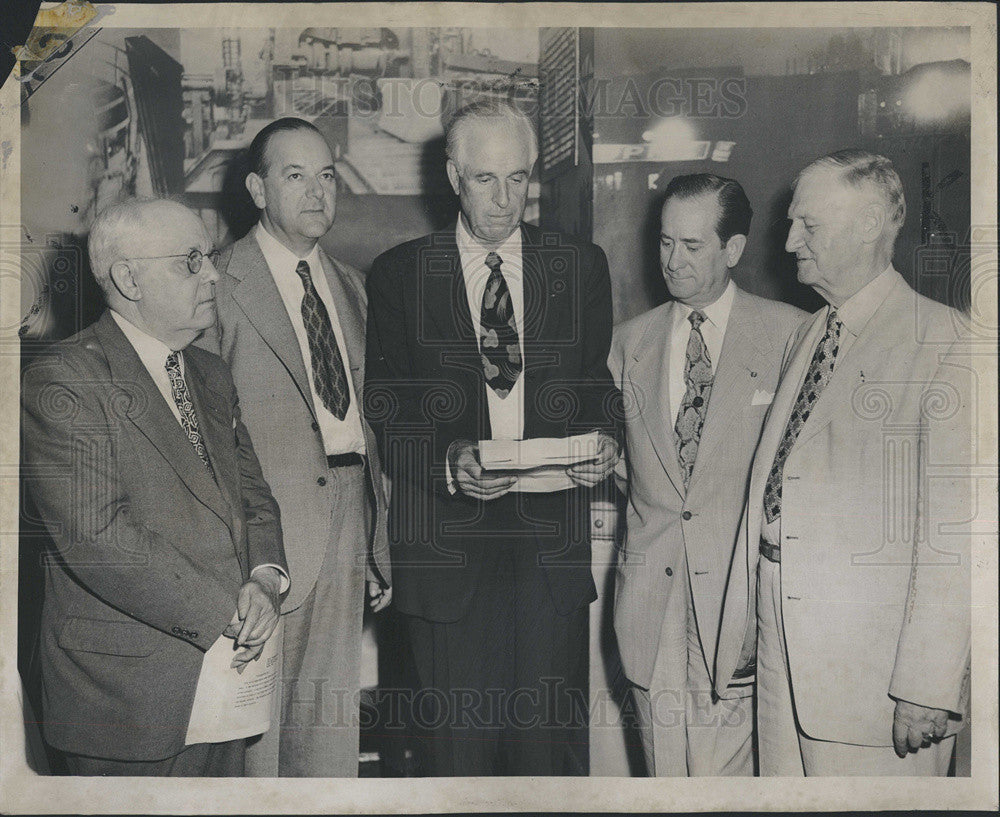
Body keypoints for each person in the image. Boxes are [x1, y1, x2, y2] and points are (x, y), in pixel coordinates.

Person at [365, 100, 619, 776]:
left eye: (519, 178)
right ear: (453, 175)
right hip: (446, 560)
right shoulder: (398, 275)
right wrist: (447, 463)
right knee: (456, 765)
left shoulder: (579, 266)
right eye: (485, 179)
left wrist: (607, 438)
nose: (506, 200)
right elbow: (388, 409)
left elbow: (597, 384)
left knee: (548, 767)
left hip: (547, 561)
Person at [20, 198, 288, 776]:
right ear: (128, 278)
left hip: (228, 690)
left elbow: (253, 496)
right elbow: (100, 538)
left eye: (210, 257)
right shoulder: (63, 379)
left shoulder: (211, 374)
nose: (214, 273)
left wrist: (267, 579)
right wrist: (229, 613)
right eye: (192, 260)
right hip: (126, 701)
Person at [733, 149, 972, 775]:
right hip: (782, 649)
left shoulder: (944, 342)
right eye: (791, 224)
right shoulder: (811, 334)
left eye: (808, 225)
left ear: (870, 224)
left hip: (877, 681)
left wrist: (927, 684)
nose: (788, 242)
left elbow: (960, 535)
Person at [199, 117, 391, 777]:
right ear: (256, 188)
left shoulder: (351, 285)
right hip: (265, 537)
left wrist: (376, 542)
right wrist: (241, 555)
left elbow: (367, 428)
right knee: (259, 739)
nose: (318, 192)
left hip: (346, 518)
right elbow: (201, 437)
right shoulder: (217, 285)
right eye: (295, 175)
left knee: (330, 734)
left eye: (327, 175)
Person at [608, 174, 806, 776]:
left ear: (734, 250)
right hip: (650, 603)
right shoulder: (627, 344)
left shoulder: (791, 334)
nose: (673, 260)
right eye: (665, 243)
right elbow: (626, 472)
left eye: (692, 246)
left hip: (740, 602)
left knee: (729, 779)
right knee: (664, 774)